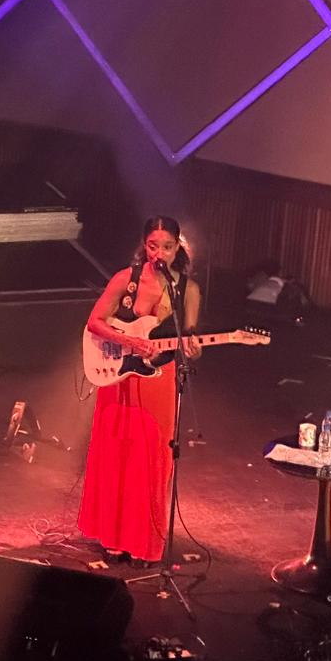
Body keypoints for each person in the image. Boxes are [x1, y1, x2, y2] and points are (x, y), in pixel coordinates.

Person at [78, 217, 201, 565]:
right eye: (152, 245)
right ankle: (113, 536)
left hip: (159, 379)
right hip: (119, 375)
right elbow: (95, 321)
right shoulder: (125, 279)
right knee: (116, 451)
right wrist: (129, 340)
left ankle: (144, 539)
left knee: (150, 457)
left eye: (166, 246)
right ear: (143, 245)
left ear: (178, 247)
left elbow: (190, 337)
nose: (158, 252)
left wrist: (193, 348)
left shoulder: (187, 289)